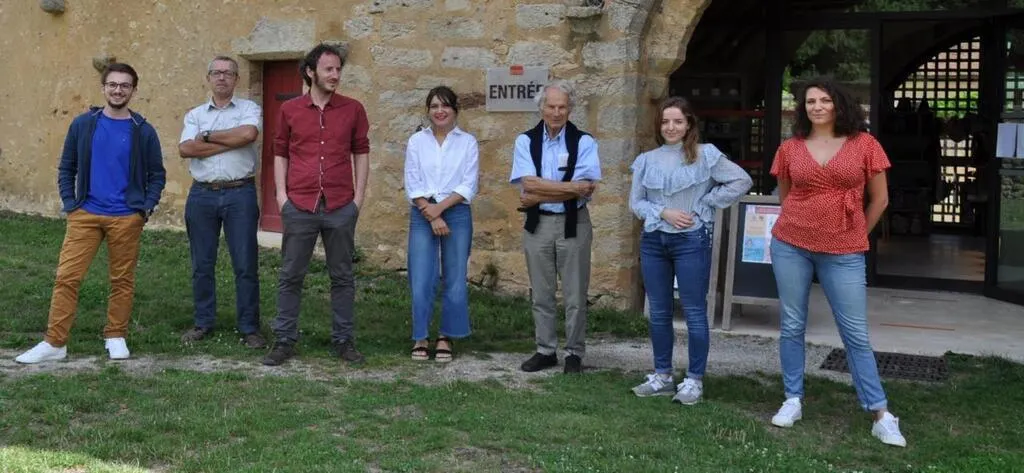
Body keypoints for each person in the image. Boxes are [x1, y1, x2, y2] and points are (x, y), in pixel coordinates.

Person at [768, 77, 906, 447]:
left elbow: (880, 199)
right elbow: (786, 196)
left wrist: (857, 233)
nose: (816, 106)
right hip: (791, 244)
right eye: (810, 101)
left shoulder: (865, 144)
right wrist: (805, 223)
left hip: (844, 250)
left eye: (824, 100)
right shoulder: (791, 147)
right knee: (792, 324)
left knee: (855, 332)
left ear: (839, 104)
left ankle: (880, 412)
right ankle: (792, 399)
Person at [15, 63, 166, 364]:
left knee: (122, 280)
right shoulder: (83, 124)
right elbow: (67, 167)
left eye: (125, 85)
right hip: (85, 213)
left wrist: (145, 207)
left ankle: (116, 335)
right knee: (67, 277)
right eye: (113, 84)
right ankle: (55, 343)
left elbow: (157, 174)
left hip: (127, 216)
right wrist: (71, 203)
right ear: (103, 88)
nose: (118, 90)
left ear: (134, 90)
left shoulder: (143, 130)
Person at [628, 96, 752, 403]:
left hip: (691, 240)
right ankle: (662, 375)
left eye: (678, 121)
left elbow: (741, 180)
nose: (671, 127)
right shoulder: (646, 160)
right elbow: (636, 203)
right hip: (654, 240)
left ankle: (695, 379)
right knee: (659, 311)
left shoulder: (706, 154)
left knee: (694, 311)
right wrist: (664, 212)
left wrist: (706, 203)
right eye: (665, 121)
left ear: (689, 124)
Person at [262, 43, 370, 366]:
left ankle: (343, 340)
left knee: (343, 276)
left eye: (338, 69)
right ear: (311, 72)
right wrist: (282, 197)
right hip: (299, 204)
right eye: (328, 69)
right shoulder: (290, 110)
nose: (335, 75)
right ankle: (284, 340)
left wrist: (358, 199)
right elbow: (280, 152)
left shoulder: (353, 109)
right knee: (291, 275)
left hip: (340, 204)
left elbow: (361, 152)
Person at [509, 80, 601, 374]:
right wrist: (571, 187)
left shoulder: (584, 142)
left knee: (575, 294)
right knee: (541, 292)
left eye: (562, 107)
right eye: (551, 106)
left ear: (570, 109)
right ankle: (545, 350)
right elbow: (528, 183)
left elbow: (585, 188)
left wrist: (539, 194)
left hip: (574, 224)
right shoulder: (525, 141)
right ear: (541, 108)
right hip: (538, 225)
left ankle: (574, 352)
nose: (557, 112)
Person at [178, 55, 265, 349]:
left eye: (228, 73)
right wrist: (230, 141)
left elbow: (248, 134)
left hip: (240, 194)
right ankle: (203, 322)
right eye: (216, 72)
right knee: (202, 263)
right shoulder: (194, 114)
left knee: (245, 263)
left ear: (237, 79)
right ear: (208, 78)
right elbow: (186, 149)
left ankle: (249, 327)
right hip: (202, 195)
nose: (222, 77)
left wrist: (206, 137)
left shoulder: (249, 109)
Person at [403, 86, 479, 362]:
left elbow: (469, 183)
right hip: (423, 212)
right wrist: (432, 214)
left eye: (445, 105)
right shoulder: (417, 141)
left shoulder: (467, 142)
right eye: (434, 106)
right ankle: (421, 336)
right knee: (421, 277)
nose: (440, 111)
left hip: (456, 212)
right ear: (428, 111)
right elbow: (412, 181)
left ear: (455, 110)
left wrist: (441, 210)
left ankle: (446, 335)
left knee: (455, 277)